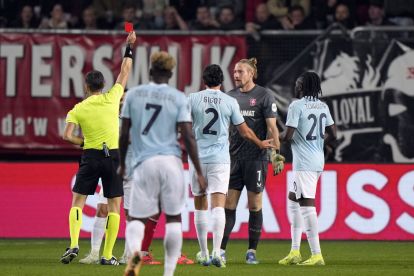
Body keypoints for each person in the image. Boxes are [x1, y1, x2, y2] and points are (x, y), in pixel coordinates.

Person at [119, 51, 206, 276]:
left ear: (150, 70)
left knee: (137, 217)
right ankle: (168, 272)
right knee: (174, 217)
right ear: (170, 73)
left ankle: (135, 256)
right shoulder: (178, 97)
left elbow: (124, 133)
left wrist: (121, 164)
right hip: (171, 162)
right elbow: (188, 136)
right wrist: (198, 170)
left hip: (143, 162)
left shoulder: (133, 95)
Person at [60, 31, 136, 265]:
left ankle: (73, 243)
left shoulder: (78, 108)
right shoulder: (112, 98)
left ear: (86, 86)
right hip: (112, 156)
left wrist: (82, 142)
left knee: (77, 202)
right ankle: (106, 255)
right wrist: (129, 47)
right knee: (114, 205)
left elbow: (67, 136)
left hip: (90, 155)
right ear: (103, 85)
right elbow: (124, 72)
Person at [189, 64, 276, 268]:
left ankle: (203, 253)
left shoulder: (192, 99)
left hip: (199, 158)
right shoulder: (229, 101)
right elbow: (245, 131)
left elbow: (182, 125)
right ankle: (217, 253)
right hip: (221, 158)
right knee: (219, 205)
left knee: (200, 204)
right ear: (221, 81)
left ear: (203, 81)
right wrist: (261, 143)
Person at [220, 58, 285, 265]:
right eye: (235, 72)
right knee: (229, 205)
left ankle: (251, 252)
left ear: (251, 74)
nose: (236, 75)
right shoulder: (230, 97)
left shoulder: (264, 95)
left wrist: (276, 155)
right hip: (233, 158)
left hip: (257, 159)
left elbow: (273, 129)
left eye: (240, 71)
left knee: (255, 205)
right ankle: (220, 250)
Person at [278, 71, 337, 266]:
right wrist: (318, 142)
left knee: (306, 204)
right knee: (294, 199)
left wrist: (274, 138)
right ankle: (295, 251)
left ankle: (316, 254)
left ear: (302, 86)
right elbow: (334, 133)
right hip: (317, 159)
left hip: (304, 163)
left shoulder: (296, 105)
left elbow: (288, 136)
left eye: (297, 84)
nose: (295, 87)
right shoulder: (323, 106)